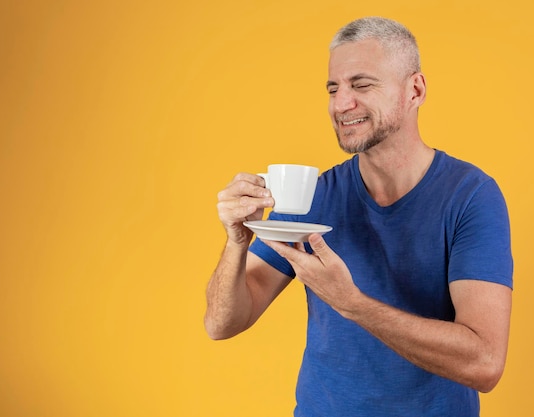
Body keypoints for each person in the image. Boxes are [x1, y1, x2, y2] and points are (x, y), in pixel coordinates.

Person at [204, 16, 513, 417]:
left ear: (414, 90)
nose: (341, 104)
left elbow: (485, 363)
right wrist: (235, 242)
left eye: (362, 85)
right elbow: (222, 323)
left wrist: (351, 303)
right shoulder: (311, 196)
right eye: (334, 88)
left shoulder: (470, 196)